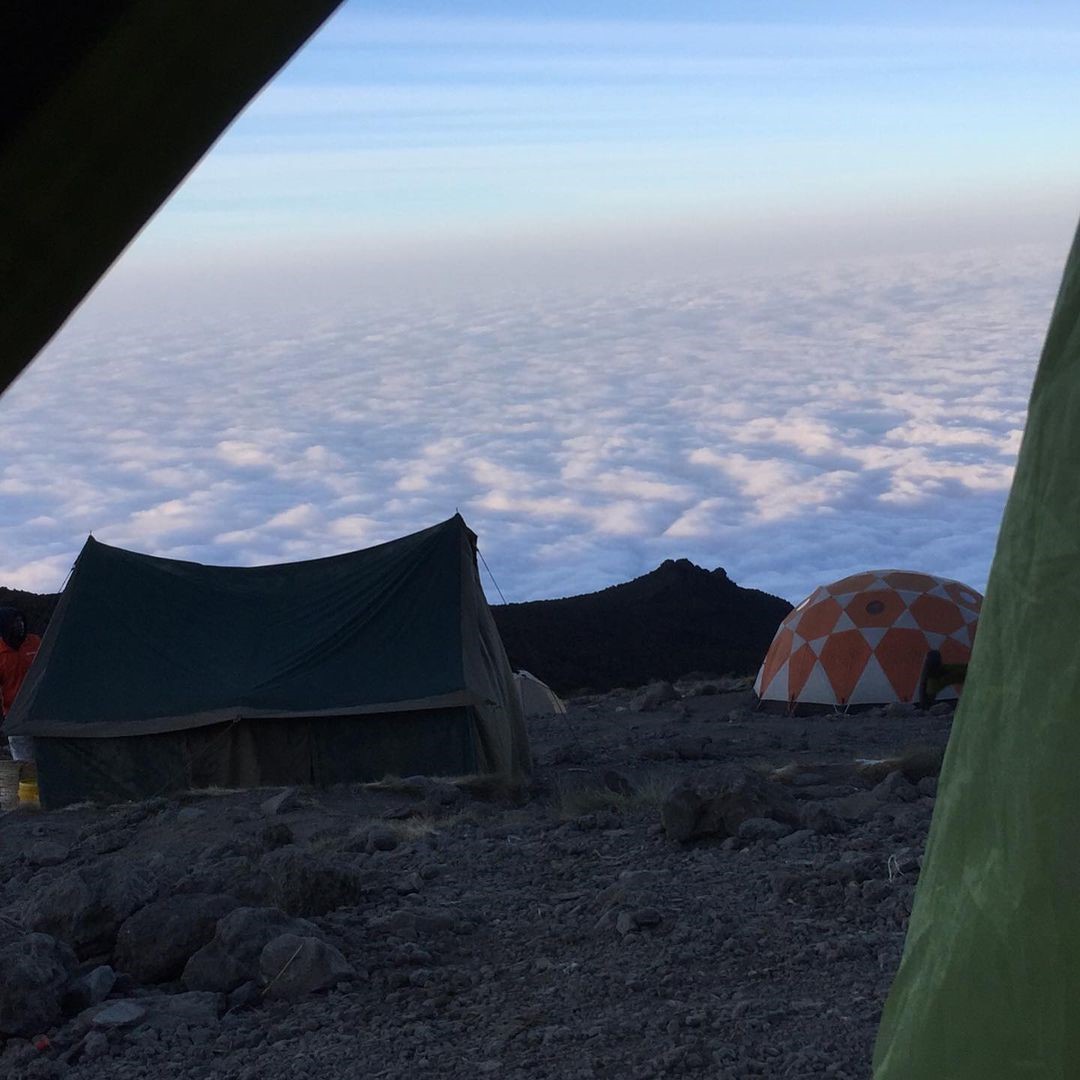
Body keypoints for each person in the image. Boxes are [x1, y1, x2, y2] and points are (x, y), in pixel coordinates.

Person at [0, 606, 41, 761]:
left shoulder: (35, 642)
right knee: (24, 763)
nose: (20, 625)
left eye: (21, 621)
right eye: (14, 622)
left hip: (40, 711)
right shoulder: (1, 653)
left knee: (47, 756)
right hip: (15, 716)